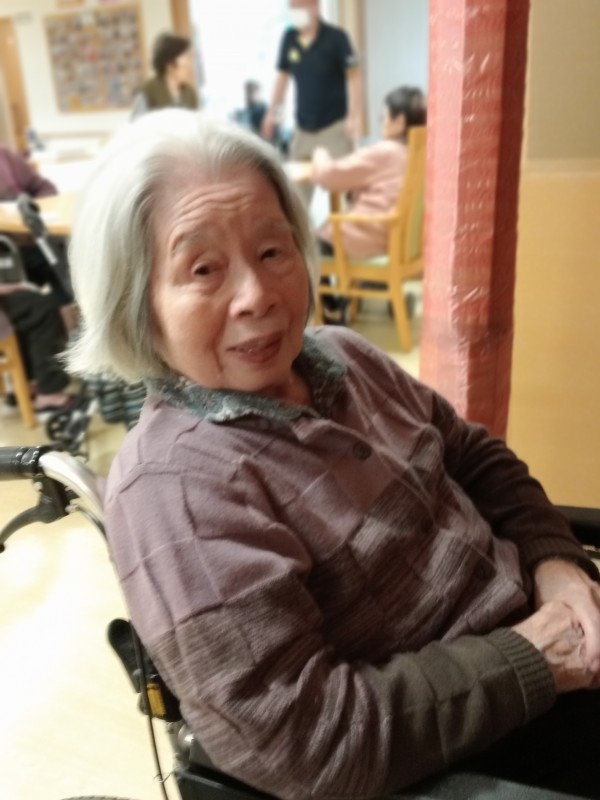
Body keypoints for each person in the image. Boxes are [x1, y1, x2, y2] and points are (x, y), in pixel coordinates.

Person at [67, 109, 600, 800]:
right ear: (136, 305)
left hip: (553, 646)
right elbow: (305, 742)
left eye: (272, 251)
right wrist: (534, 658)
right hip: (472, 752)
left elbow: (474, 457)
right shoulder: (176, 492)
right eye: (203, 269)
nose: (257, 296)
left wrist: (556, 564)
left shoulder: (345, 358)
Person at [262, 0, 362, 208]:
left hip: (334, 128)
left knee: (350, 192)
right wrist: (272, 113)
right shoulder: (289, 38)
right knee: (294, 198)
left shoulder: (337, 38)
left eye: (301, 6)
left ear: (316, 7)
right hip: (303, 130)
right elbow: (282, 78)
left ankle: (348, 227)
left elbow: (354, 78)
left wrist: (353, 116)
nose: (295, 12)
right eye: (293, 7)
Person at [313, 85, 426, 260]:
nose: (382, 124)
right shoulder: (417, 154)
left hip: (361, 238)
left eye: (384, 118)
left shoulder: (386, 151)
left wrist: (319, 153)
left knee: (305, 246)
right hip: (390, 240)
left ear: (399, 122)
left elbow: (328, 176)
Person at [0, 142, 72, 306]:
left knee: (66, 257)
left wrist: (32, 208)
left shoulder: (4, 155)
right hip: (6, 253)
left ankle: (71, 315)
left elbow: (44, 187)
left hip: (32, 241)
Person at [131, 32, 199, 119]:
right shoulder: (149, 91)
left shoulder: (190, 93)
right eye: (187, 57)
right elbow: (136, 124)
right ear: (170, 64)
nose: (190, 65)